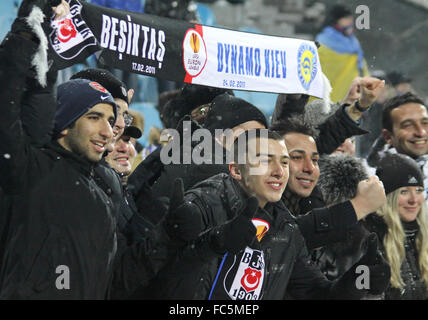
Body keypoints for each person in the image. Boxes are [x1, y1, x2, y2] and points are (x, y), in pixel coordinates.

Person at [148, 129, 390, 299]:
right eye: (266, 160)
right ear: (236, 170)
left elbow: (319, 294)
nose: (279, 172)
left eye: (284, 163)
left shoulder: (286, 229)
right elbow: (162, 284)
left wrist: (360, 279)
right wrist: (211, 243)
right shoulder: (201, 205)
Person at [270, 117, 386, 250]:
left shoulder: (311, 203)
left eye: (315, 159)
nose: (310, 168)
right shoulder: (256, 207)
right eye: (297, 157)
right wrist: (359, 205)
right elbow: (288, 238)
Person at [362, 153, 428, 299]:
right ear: (388, 197)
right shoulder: (369, 240)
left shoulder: (422, 236)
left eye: (418, 191)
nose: (414, 200)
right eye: (404, 192)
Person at [315, 4, 370, 103]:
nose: (350, 22)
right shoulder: (324, 43)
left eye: (350, 18)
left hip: (351, 98)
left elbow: (362, 69)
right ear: (335, 21)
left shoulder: (354, 44)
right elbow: (320, 73)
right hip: (330, 99)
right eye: (346, 19)